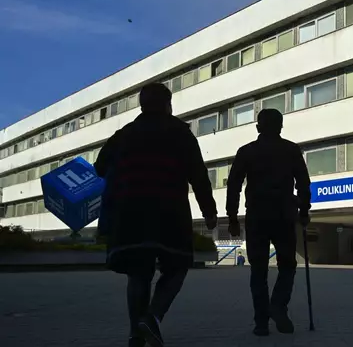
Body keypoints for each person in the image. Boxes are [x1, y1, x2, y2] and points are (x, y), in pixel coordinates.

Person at [94, 83, 218, 347]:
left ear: (142, 104)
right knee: (177, 266)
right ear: (168, 104)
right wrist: (210, 212)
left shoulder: (124, 135)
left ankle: (135, 334)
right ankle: (152, 317)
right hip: (169, 212)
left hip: (130, 213)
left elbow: (100, 167)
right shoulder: (180, 133)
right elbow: (198, 176)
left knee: (138, 273)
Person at [225, 108, 311, 337]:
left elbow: (233, 185)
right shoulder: (291, 150)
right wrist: (304, 210)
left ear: (258, 127)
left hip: (256, 216)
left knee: (259, 270)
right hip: (284, 215)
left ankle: (261, 323)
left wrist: (232, 217)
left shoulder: (246, 152)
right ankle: (279, 305)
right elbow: (303, 182)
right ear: (281, 127)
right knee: (288, 265)